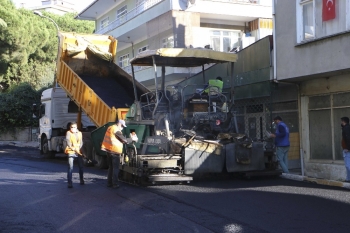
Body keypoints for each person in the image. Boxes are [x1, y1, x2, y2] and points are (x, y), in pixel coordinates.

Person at [101, 119, 138, 188]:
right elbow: (124, 140)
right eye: (122, 126)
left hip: (109, 151)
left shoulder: (110, 127)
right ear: (119, 124)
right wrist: (132, 139)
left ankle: (109, 183)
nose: (122, 128)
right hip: (114, 151)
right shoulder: (116, 130)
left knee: (111, 168)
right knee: (116, 168)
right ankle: (115, 184)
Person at [65, 122, 84, 188]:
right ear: (70, 128)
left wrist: (79, 149)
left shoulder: (80, 133)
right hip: (71, 152)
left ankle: (81, 179)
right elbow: (68, 141)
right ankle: (69, 182)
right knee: (70, 167)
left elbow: (81, 142)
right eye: (71, 127)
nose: (73, 128)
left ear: (77, 127)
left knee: (81, 167)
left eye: (74, 127)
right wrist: (72, 147)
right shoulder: (68, 133)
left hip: (78, 152)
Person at [341, 117, 350, 182]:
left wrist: (348, 148)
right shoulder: (347, 128)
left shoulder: (346, 128)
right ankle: (348, 178)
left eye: (342, 121)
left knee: (348, 165)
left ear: (343, 121)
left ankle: (348, 178)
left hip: (347, 149)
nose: (341, 122)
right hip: (347, 148)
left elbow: (348, 138)